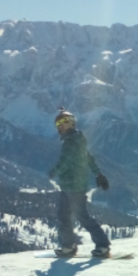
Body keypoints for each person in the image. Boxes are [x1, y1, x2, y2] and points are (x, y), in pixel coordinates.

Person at [48, 109, 111, 258]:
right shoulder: (76, 140)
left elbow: (65, 162)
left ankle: (102, 245)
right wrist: (98, 174)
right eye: (58, 124)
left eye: (63, 123)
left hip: (75, 187)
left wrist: (53, 173)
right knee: (63, 216)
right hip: (68, 186)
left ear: (71, 123)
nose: (60, 126)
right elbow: (88, 158)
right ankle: (68, 246)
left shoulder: (71, 142)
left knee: (82, 216)